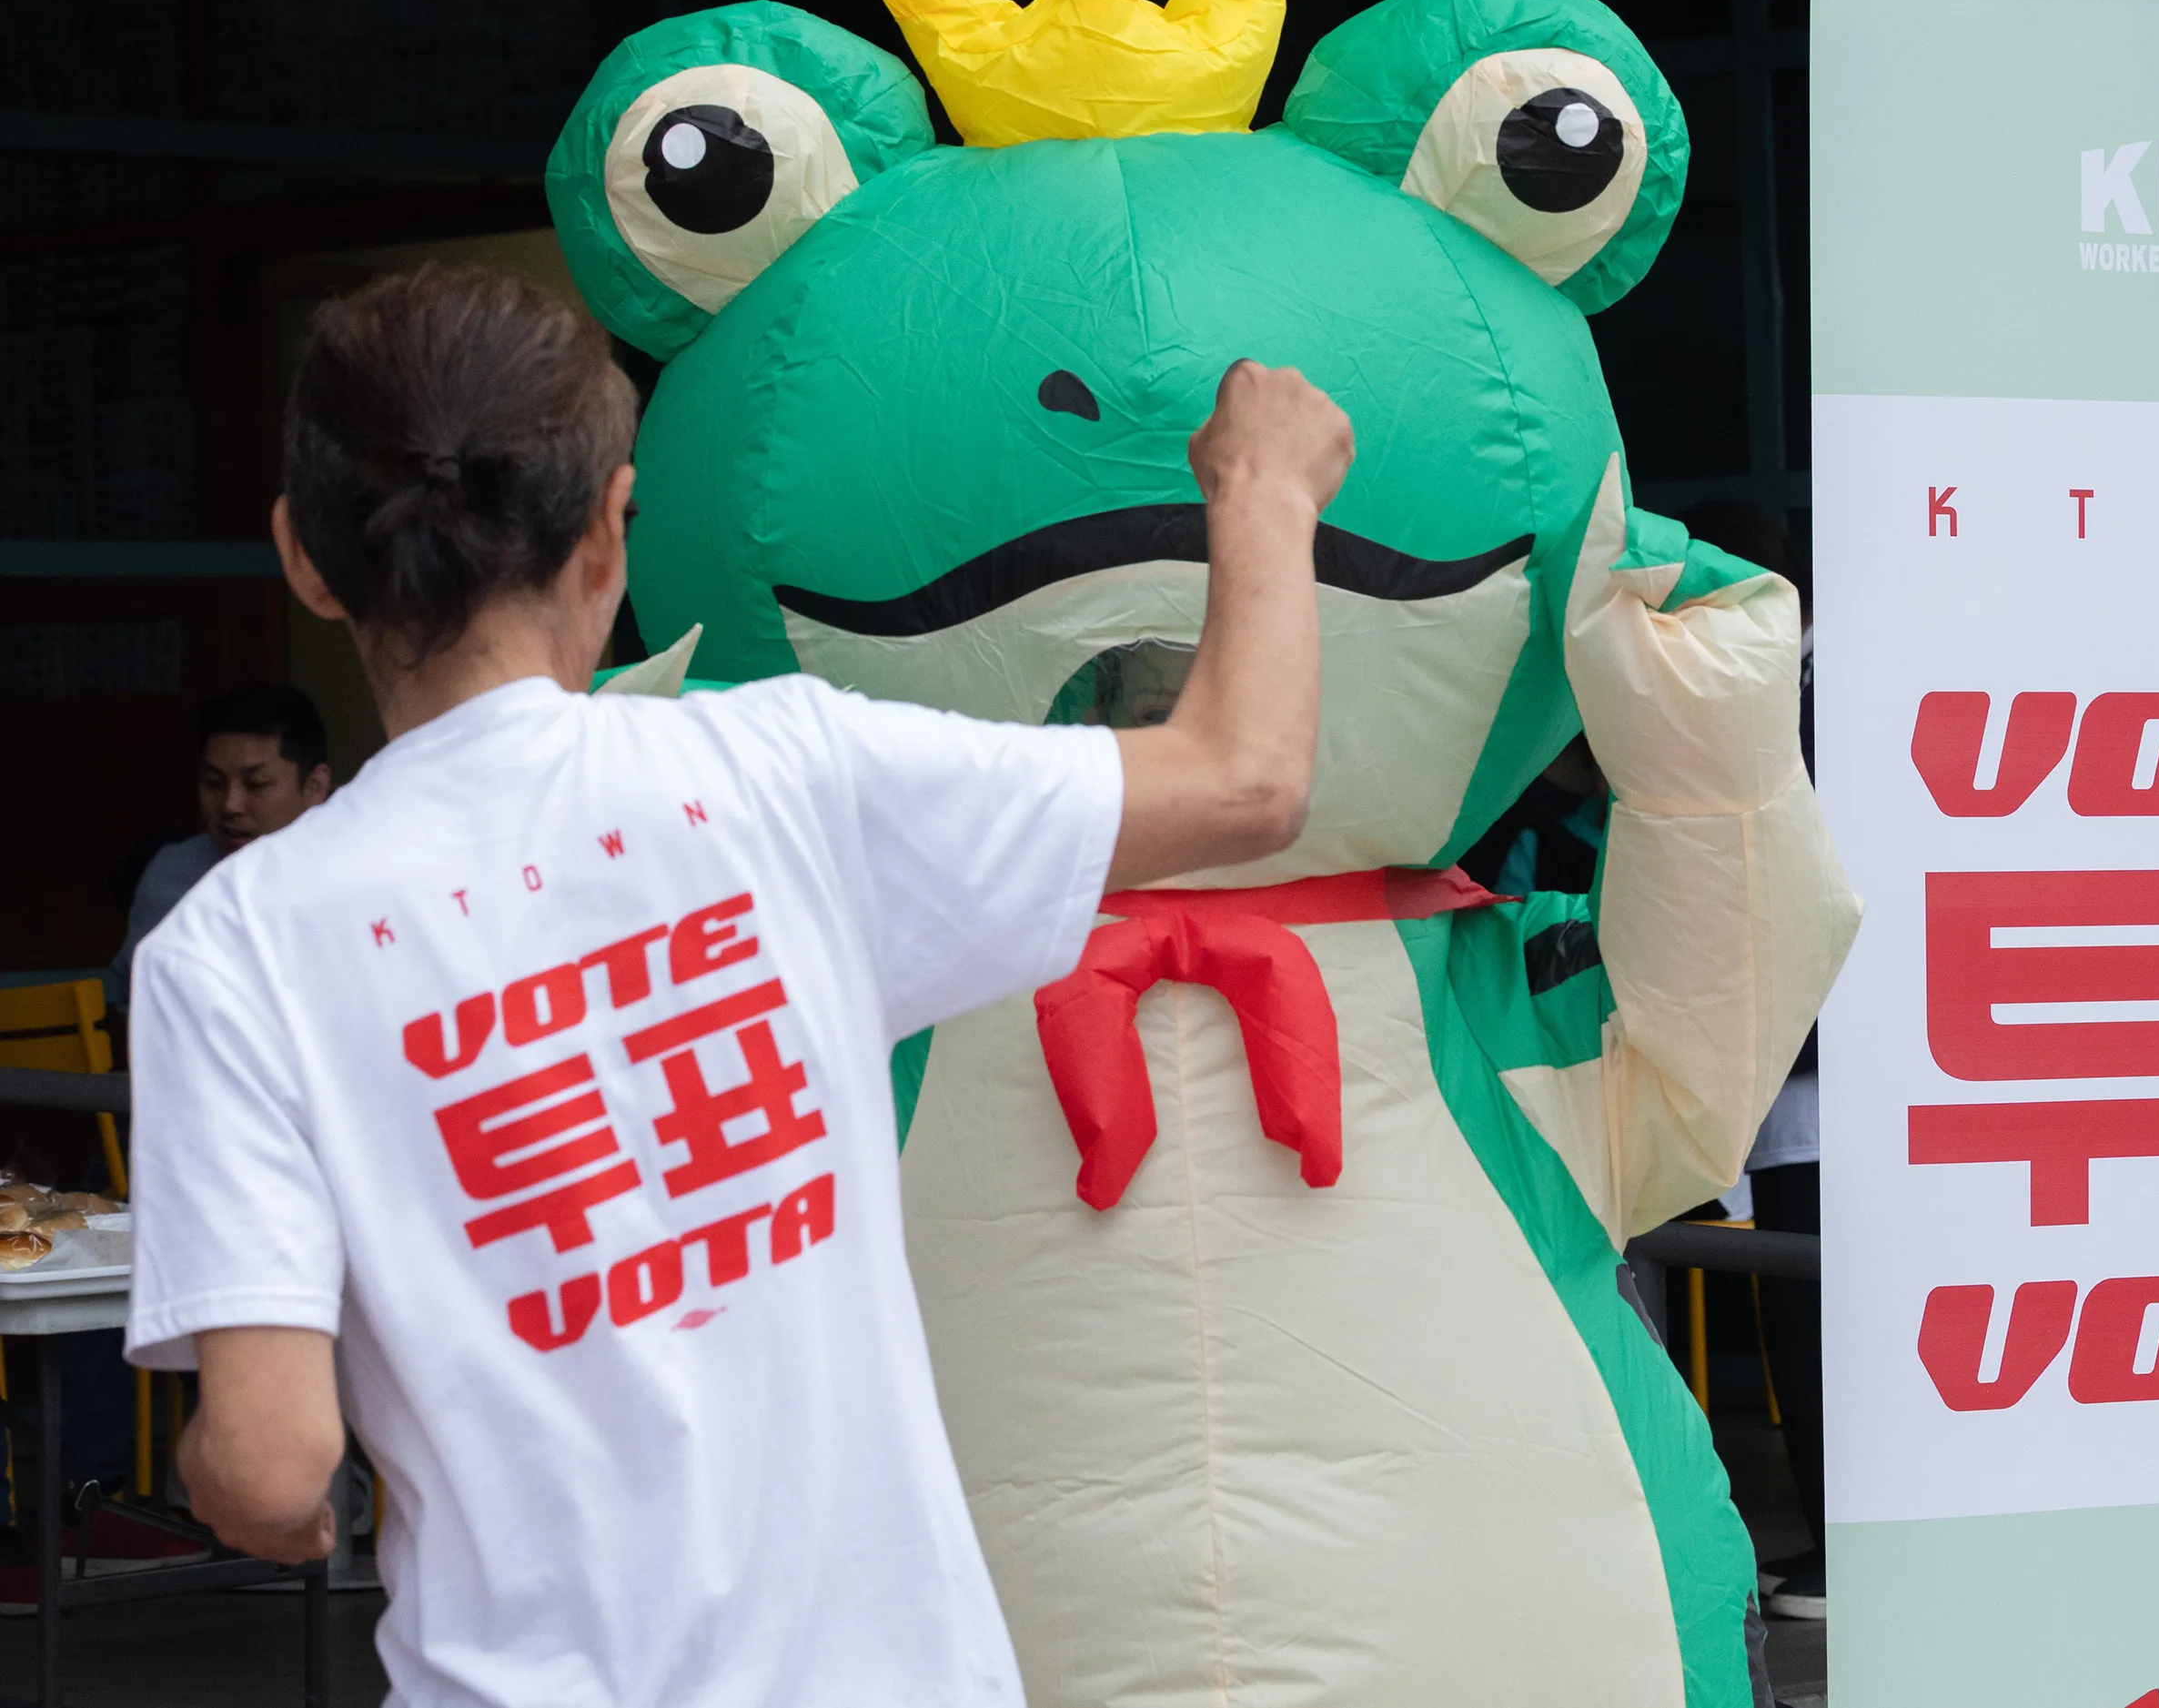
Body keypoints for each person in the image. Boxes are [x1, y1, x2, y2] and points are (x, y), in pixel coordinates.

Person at [121, 265, 1353, 1707]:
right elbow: (1245, 780)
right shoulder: (780, 772)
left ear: (305, 558)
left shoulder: (233, 943)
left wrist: (216, 1473)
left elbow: (273, 1473)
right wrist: (1262, 488)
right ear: (606, 533)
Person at [1681, 497, 1826, 1622]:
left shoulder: (1807, 698)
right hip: (1798, 1060)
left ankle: (1841, 1542)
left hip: (1821, 1059)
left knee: (1813, 1309)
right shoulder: (1797, 685)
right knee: (1804, 1309)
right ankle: (1834, 1535)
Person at [106, 684, 332, 1011]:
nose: (230, 805)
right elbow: (135, 1002)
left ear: (315, 786)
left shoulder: (353, 873)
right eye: (213, 783)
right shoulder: (173, 876)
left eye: (256, 784)